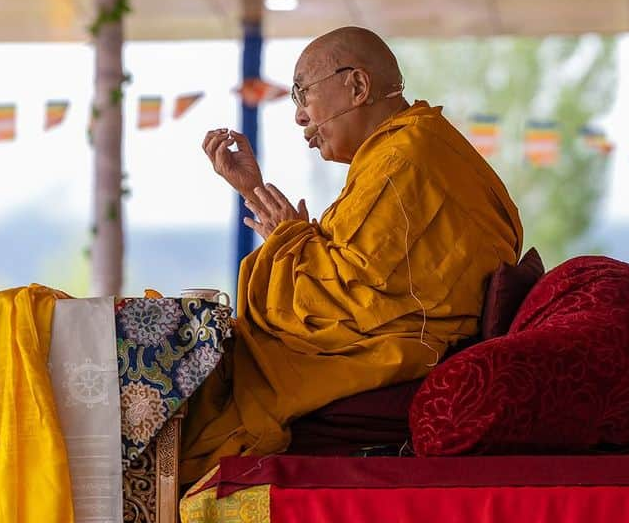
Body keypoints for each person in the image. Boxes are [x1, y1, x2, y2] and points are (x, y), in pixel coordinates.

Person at [181, 26, 523, 484]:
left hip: (394, 348)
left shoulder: (405, 161)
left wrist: (288, 242)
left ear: (357, 87)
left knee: (208, 381)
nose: (300, 117)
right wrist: (257, 196)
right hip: (387, 335)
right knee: (210, 361)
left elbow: (337, 301)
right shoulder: (403, 152)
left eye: (303, 95)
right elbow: (352, 272)